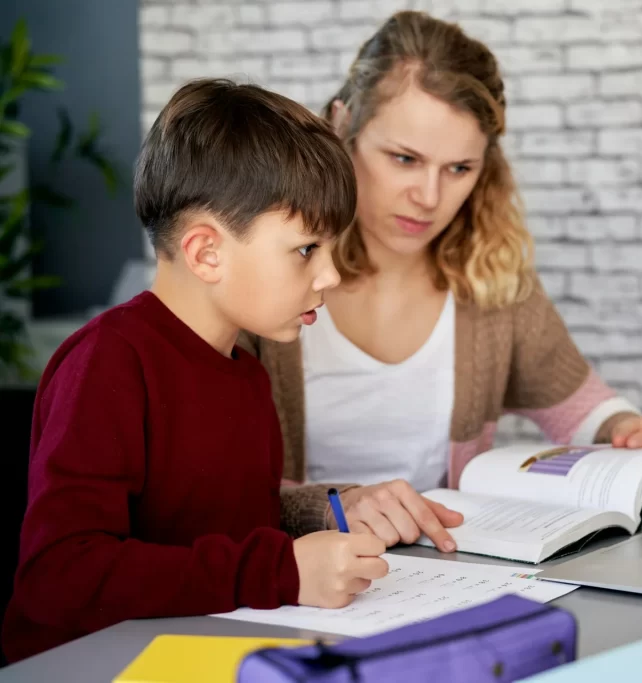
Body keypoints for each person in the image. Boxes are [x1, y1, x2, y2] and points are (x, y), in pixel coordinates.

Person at [245, 10, 642, 554]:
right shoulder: (261, 269)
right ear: (342, 124)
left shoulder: (490, 278)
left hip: (449, 576)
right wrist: (340, 505)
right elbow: (213, 491)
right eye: (405, 159)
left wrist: (628, 430)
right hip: (293, 585)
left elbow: (580, 407)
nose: (430, 197)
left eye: (458, 169)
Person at [1, 79, 388, 663]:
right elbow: (62, 576)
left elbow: (216, 560)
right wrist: (278, 569)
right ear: (206, 252)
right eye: (308, 249)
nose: (331, 275)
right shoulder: (106, 365)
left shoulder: (249, 376)